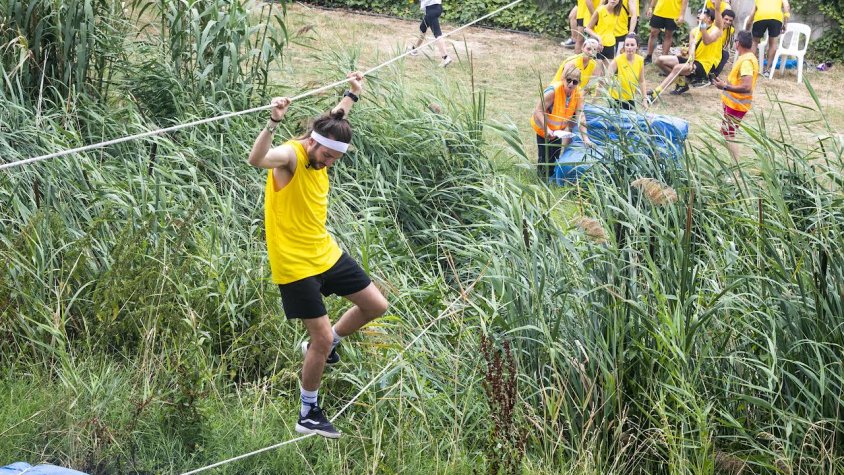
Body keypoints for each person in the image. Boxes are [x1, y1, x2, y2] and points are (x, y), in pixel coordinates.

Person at [247, 72, 389, 439]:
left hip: (324, 251)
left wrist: (351, 95)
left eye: (336, 159)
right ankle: (308, 411)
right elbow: (256, 157)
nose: (329, 163)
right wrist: (273, 120)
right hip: (293, 262)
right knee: (320, 338)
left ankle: (326, 346)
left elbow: (335, 122)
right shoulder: (290, 157)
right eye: (326, 156)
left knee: (375, 305)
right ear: (311, 143)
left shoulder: (326, 141)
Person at [531, 67, 594, 179]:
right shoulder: (553, 91)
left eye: (574, 82)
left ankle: (551, 180)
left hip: (558, 131)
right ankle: (540, 181)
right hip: (543, 129)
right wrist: (547, 130)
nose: (570, 84)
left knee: (554, 157)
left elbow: (581, 116)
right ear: (563, 79)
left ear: (578, 82)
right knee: (544, 157)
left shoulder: (578, 94)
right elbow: (538, 111)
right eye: (568, 80)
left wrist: (586, 138)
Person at [651, 8, 721, 97]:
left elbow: (706, 40)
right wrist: (690, 60)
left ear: (709, 19)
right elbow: (692, 46)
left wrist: (703, 25)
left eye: (701, 17)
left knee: (677, 68)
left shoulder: (715, 30)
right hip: (692, 59)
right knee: (659, 60)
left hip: (703, 64)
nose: (698, 19)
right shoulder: (694, 31)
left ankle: (656, 92)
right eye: (698, 17)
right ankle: (681, 83)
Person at [712, 31, 759, 162]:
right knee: (727, 133)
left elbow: (746, 86)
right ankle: (734, 165)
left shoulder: (746, 62)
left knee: (729, 135)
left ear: (738, 43)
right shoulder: (747, 57)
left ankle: (736, 167)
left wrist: (725, 87)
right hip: (733, 104)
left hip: (737, 105)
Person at [749, 0, 791, 76]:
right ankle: (767, 70)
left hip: (760, 16)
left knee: (754, 42)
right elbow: (786, 7)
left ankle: (751, 68)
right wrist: (785, 22)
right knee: (773, 44)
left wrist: (748, 25)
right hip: (776, 17)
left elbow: (752, 13)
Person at [407, 0, 453, 67]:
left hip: (431, 9)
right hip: (437, 7)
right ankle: (414, 49)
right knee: (423, 28)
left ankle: (445, 57)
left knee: (437, 34)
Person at [608, 34, 647, 110]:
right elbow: (608, 77)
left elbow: (642, 81)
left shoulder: (640, 60)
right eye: (627, 45)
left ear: (637, 47)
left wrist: (644, 99)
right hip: (616, 98)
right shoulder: (617, 60)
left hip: (630, 97)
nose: (629, 47)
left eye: (632, 45)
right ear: (624, 46)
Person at [644, 0, 688, 65]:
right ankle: (649, 57)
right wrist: (650, 7)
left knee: (668, 35)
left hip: (673, 12)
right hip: (659, 11)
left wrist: (682, 15)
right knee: (653, 33)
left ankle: (664, 60)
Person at [711, 9, 736, 78]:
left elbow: (724, 44)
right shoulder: (714, 25)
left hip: (718, 49)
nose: (728, 22)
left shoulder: (731, 30)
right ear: (721, 18)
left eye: (730, 20)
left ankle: (714, 75)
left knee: (725, 54)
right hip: (709, 48)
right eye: (726, 19)